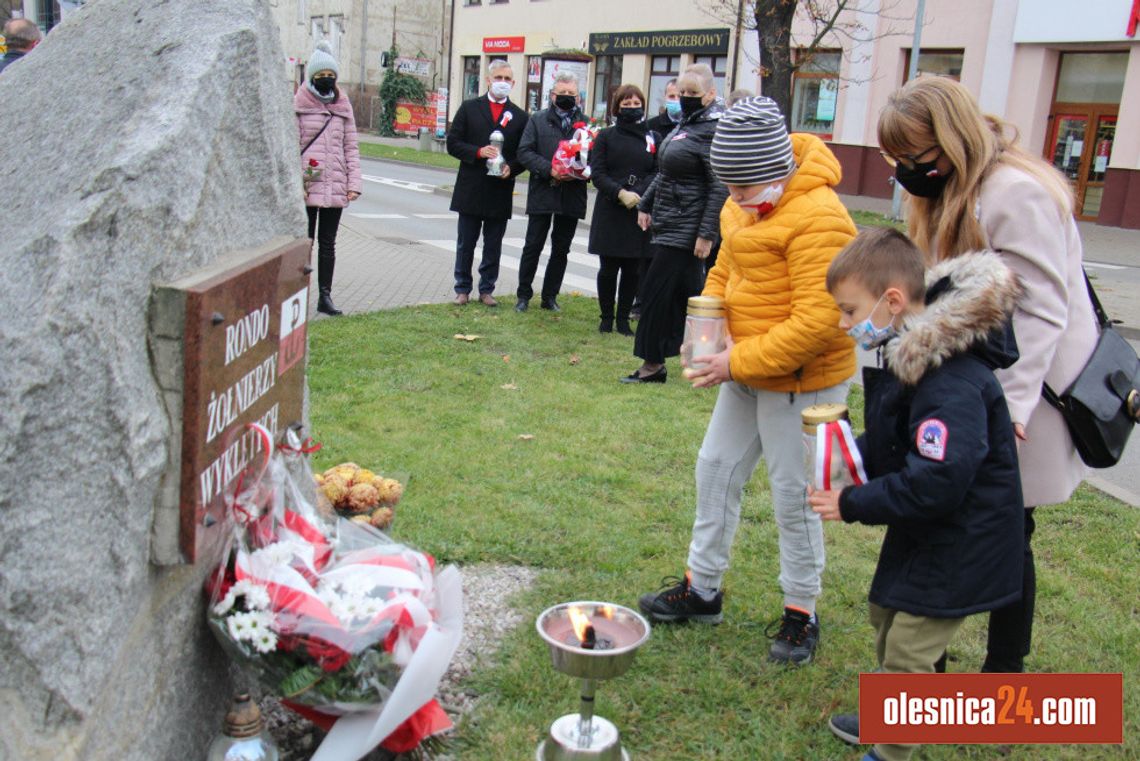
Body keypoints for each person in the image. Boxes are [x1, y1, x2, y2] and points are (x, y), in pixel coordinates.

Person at [877, 76, 1098, 674]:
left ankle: (1003, 679)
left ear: (951, 140)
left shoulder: (1015, 193)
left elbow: (1043, 310)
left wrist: (1008, 409)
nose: (905, 171)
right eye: (894, 158)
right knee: (939, 516)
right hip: (966, 382)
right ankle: (933, 676)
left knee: (1007, 531)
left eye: (914, 158)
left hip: (1029, 389)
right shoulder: (946, 184)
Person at [637, 95, 858, 666]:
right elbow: (724, 270)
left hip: (803, 381)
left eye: (742, 188)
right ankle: (702, 587)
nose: (733, 200)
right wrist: (707, 324)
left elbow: (818, 320)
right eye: (727, 187)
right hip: (745, 367)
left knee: (794, 496)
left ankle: (800, 612)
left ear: (776, 169)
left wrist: (733, 361)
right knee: (716, 470)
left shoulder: (821, 218)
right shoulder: (741, 208)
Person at [811, 227, 1025, 761]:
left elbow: (938, 479)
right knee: (886, 619)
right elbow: (898, 438)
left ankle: (890, 752)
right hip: (927, 533)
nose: (843, 324)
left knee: (908, 651)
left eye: (848, 309)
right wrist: (849, 457)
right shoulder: (912, 355)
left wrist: (853, 502)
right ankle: (901, 712)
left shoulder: (951, 380)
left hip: (962, 541)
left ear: (892, 301)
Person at [622, 64, 727, 383]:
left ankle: (652, 365)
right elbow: (666, 172)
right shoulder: (688, 124)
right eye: (681, 93)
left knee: (655, 294)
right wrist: (646, 202)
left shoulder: (712, 129)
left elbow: (718, 185)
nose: (685, 99)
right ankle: (703, 359)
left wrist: (706, 233)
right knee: (691, 296)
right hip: (672, 222)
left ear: (710, 94)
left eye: (692, 94)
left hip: (687, 227)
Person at [446, 59, 529, 307]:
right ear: (488, 80)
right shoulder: (470, 108)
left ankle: (487, 289)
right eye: (498, 78)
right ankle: (462, 288)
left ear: (513, 83)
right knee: (466, 242)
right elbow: (453, 143)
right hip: (471, 187)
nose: (502, 83)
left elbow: (524, 153)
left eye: (507, 79)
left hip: (500, 189)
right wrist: (478, 152)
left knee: (493, 243)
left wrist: (511, 169)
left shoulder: (520, 116)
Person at [513, 72, 589, 313]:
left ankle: (550, 296)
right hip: (544, 191)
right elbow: (524, 152)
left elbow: (595, 156)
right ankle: (523, 295)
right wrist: (550, 170)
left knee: (561, 249)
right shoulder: (537, 120)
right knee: (533, 245)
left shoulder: (586, 124)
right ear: (552, 95)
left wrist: (581, 171)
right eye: (562, 93)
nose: (566, 98)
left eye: (571, 94)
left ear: (578, 98)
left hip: (572, 194)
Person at [295, 41, 361, 317]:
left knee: (328, 243)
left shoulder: (342, 107)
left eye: (331, 76)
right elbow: (290, 147)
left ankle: (325, 296)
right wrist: (294, 184)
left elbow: (351, 148)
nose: (327, 81)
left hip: (335, 184)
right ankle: (297, 296)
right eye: (321, 76)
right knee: (304, 243)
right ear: (311, 77)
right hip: (306, 186)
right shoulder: (298, 106)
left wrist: (353, 183)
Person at [587, 84, 657, 335]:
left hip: (640, 210)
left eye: (636, 104)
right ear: (617, 107)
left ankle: (624, 319)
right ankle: (606, 317)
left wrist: (640, 194)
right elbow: (598, 172)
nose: (631, 108)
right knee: (608, 268)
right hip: (611, 209)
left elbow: (657, 171)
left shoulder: (653, 137)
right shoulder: (606, 136)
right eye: (626, 104)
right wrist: (620, 193)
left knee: (633, 270)